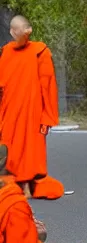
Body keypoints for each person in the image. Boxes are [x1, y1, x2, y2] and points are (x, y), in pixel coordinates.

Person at [0, 15, 63, 199]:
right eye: (18, 30)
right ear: (12, 32)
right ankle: (11, 186)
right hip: (9, 110)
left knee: (29, 149)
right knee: (8, 149)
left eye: (26, 29)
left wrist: (47, 117)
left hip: (31, 111)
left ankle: (27, 186)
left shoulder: (39, 51)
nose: (23, 33)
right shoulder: (5, 52)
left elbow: (48, 85)